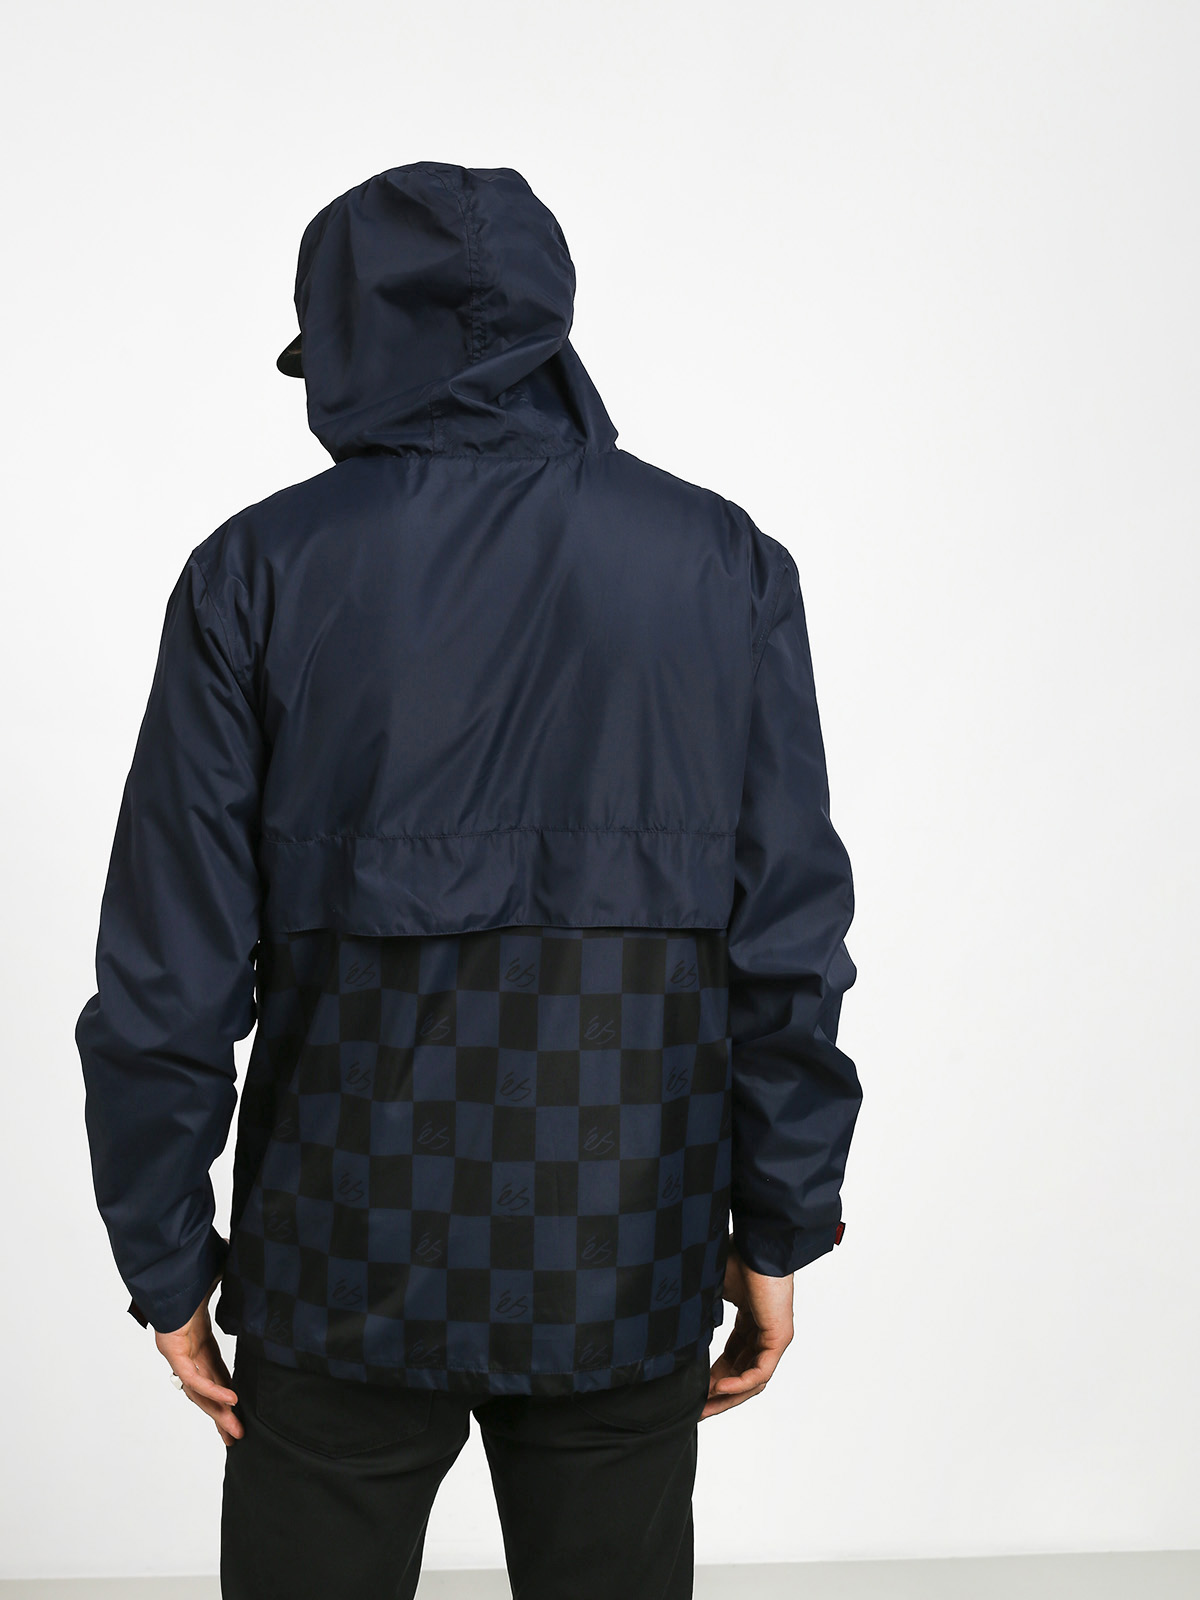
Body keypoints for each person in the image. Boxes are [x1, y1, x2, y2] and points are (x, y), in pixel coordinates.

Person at [75, 160, 862, 1600]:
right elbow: (788, 943)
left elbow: (164, 972)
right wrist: (780, 1223)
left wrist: (166, 1261)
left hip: (337, 1263)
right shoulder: (721, 565)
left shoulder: (254, 573)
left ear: (346, 347)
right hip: (625, 1248)